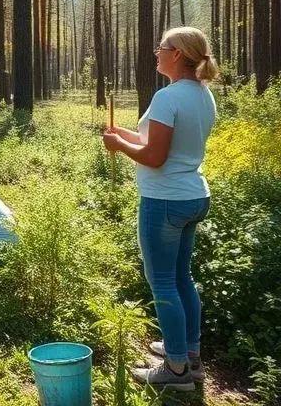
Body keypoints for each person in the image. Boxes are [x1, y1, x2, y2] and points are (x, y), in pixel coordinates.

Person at [102, 27, 218, 391]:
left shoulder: (168, 96)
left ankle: (176, 370)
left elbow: (154, 156)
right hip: (193, 196)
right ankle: (189, 354)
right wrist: (123, 135)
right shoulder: (202, 94)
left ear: (179, 54)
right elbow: (160, 143)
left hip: (165, 199)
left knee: (164, 282)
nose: (156, 52)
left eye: (162, 47)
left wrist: (119, 147)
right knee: (182, 277)